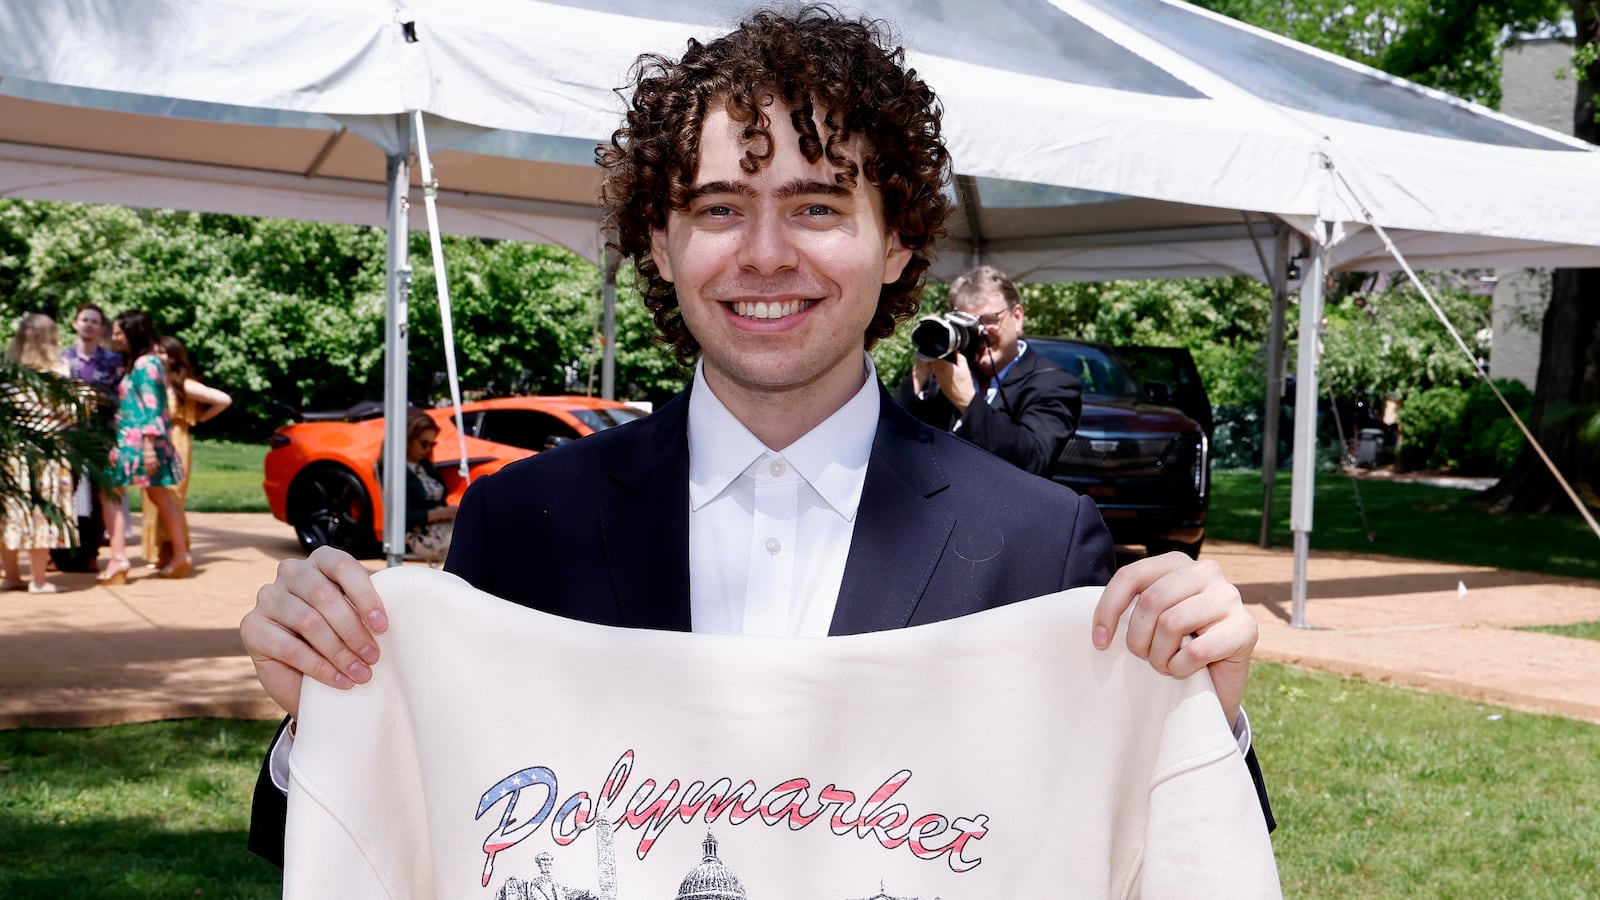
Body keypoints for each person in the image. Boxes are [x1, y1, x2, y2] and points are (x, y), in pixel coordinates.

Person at [242, 5, 1268, 867]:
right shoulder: (521, 522)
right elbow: (400, 830)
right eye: (719, 207)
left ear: (898, 234)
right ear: (661, 237)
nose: (766, 255)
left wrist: (1205, 716)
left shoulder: (1039, 541)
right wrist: (318, 714)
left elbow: (1136, 840)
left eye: (817, 206)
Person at [894, 265, 1081, 476]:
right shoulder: (949, 375)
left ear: (1017, 317)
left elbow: (1035, 460)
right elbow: (891, 438)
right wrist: (921, 371)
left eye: (989, 320)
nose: (979, 333)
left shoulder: (1053, 382)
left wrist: (968, 402)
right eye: (968, 324)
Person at [97, 311, 191, 584]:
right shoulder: (148, 362)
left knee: (111, 493)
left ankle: (118, 559)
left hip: (136, 442)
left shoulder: (144, 364)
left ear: (132, 333)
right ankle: (181, 555)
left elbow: (152, 408)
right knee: (159, 495)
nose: (114, 337)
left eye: (118, 332)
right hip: (143, 440)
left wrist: (148, 447)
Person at [141, 336, 232, 569]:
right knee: (152, 499)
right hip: (153, 442)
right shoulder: (150, 382)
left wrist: (199, 417)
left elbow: (223, 400)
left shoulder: (183, 384)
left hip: (176, 442)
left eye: (162, 352)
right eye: (154, 351)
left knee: (172, 497)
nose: (157, 356)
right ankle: (161, 553)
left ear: (173, 357)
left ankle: (176, 552)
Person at [1, 314, 77, 593]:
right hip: (46, 451)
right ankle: (39, 579)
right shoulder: (58, 370)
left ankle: (11, 575)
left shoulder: (7, 371)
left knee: (11, 512)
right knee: (42, 511)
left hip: (12, 451)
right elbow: (70, 414)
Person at [56, 302, 123, 573]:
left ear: (102, 328)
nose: (89, 325)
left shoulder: (113, 361)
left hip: (101, 436)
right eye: (85, 320)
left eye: (95, 321)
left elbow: (122, 396)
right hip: (67, 435)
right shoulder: (61, 359)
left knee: (100, 496)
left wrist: (98, 398)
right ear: (75, 323)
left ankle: (92, 554)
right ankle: (58, 555)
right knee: (63, 493)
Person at [400, 412, 457, 563]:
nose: (427, 449)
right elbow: (403, 516)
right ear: (408, 440)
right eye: (424, 443)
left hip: (442, 526)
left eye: (432, 444)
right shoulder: (398, 471)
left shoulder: (426, 466)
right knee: (469, 539)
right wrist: (442, 513)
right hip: (421, 533)